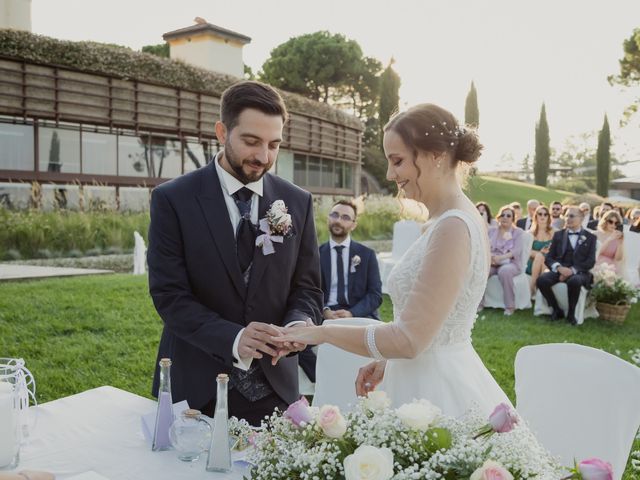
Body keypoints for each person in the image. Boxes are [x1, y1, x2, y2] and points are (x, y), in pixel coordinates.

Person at [274, 103, 511, 417]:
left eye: (397, 161)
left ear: (435, 155)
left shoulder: (453, 226)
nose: (389, 174)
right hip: (421, 372)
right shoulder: (455, 218)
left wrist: (322, 332)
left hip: (434, 392)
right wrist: (389, 360)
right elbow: (428, 324)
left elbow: (409, 339)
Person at [147, 81, 323, 425]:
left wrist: (298, 324)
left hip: (277, 389)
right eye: (251, 141)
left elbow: (308, 288)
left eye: (274, 144)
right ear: (221, 132)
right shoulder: (173, 199)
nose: (263, 157)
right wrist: (234, 337)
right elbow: (169, 295)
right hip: (197, 388)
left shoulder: (298, 202)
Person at [298, 199, 383, 383]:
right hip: (325, 313)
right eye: (335, 215)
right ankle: (326, 380)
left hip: (358, 313)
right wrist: (324, 311)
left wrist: (352, 313)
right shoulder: (315, 254)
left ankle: (368, 380)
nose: (338, 220)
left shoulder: (367, 255)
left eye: (345, 217)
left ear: (353, 224)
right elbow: (308, 290)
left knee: (380, 339)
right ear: (328, 219)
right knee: (299, 340)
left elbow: (375, 295)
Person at [536, 206, 597, 325]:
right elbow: (549, 257)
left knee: (574, 281)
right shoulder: (558, 235)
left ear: (581, 218)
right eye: (566, 216)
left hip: (579, 272)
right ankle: (556, 309)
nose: (568, 218)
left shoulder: (590, 238)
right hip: (560, 269)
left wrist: (572, 271)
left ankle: (571, 314)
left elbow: (590, 261)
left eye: (572, 216)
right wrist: (559, 268)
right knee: (542, 280)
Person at [486, 206, 525, 316]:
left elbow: (516, 251)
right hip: (493, 261)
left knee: (505, 271)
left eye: (508, 215)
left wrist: (501, 258)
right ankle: (478, 304)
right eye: (503, 215)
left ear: (513, 218)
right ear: (499, 217)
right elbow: (486, 247)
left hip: (511, 262)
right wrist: (492, 258)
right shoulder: (492, 231)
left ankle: (510, 306)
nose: (505, 217)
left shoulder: (518, 232)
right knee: (483, 270)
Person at [526, 205, 554, 295]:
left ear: (548, 217)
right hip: (533, 262)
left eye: (545, 214)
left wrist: (549, 250)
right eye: (540, 214)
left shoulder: (554, 232)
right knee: (540, 256)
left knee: (544, 259)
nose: (542, 216)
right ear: (536, 216)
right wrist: (540, 252)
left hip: (548, 261)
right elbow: (527, 251)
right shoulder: (530, 233)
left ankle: (536, 288)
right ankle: (534, 286)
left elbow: (557, 250)